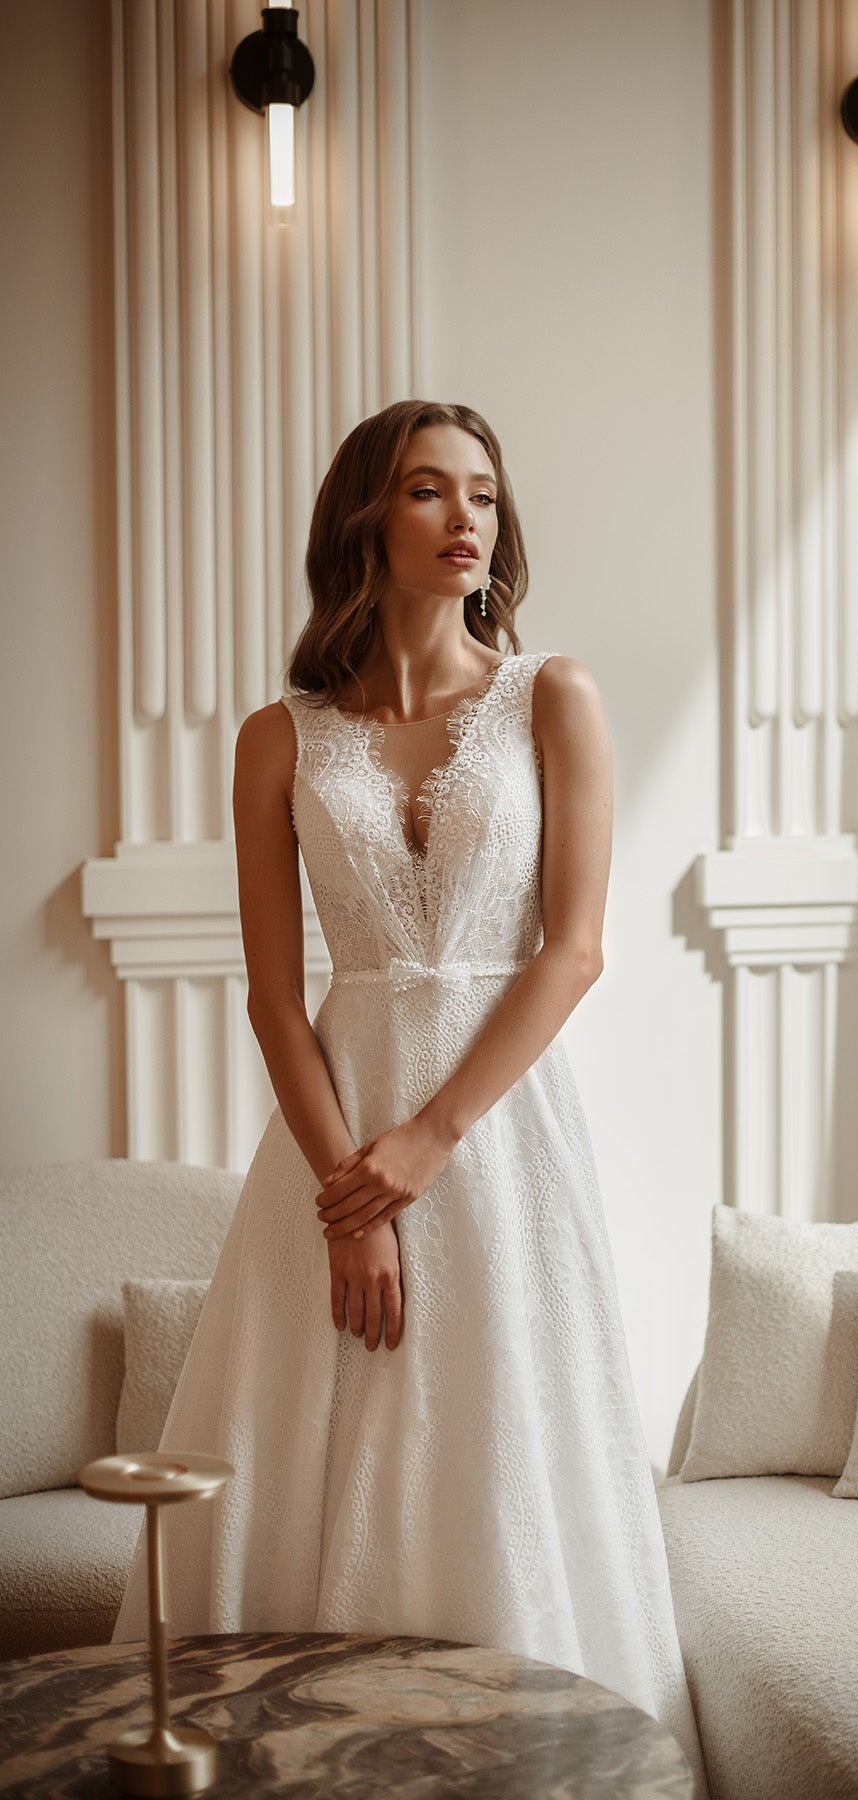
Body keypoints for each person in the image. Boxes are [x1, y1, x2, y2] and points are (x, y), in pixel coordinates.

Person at [111, 398, 709, 1793]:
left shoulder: (554, 696)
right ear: (366, 522)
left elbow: (574, 951)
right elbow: (273, 993)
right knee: (315, 1447)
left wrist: (427, 1147)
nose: (466, 521)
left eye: (485, 497)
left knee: (495, 1451)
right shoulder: (282, 735)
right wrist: (348, 1203)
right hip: (334, 1133)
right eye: (432, 493)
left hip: (499, 1139)